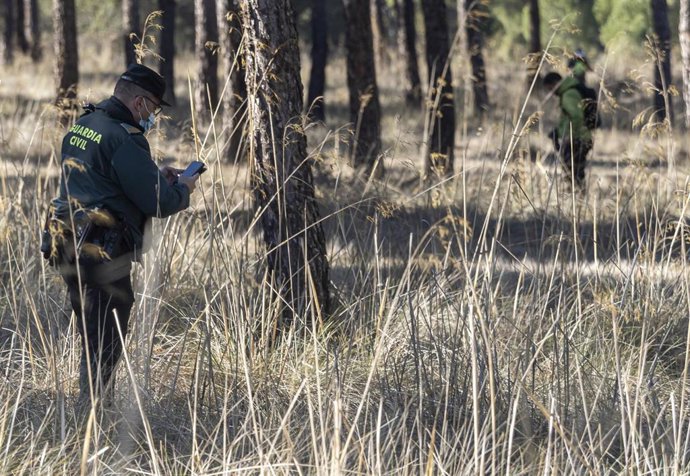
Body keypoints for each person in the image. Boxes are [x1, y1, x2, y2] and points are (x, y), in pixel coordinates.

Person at [43, 63, 200, 412]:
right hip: (102, 251)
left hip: (67, 241)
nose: (154, 117)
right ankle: (94, 413)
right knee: (107, 335)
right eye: (155, 108)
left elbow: (102, 180)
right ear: (141, 102)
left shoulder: (85, 126)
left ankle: (91, 407)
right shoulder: (125, 138)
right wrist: (184, 188)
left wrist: (154, 174)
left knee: (91, 329)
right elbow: (160, 202)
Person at [543, 71, 593, 188]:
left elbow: (576, 117)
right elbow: (568, 118)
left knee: (573, 174)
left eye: (550, 88)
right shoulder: (569, 92)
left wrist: (568, 137)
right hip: (580, 138)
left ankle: (578, 198)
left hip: (577, 140)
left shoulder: (568, 94)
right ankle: (577, 197)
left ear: (555, 83)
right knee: (573, 174)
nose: (551, 92)